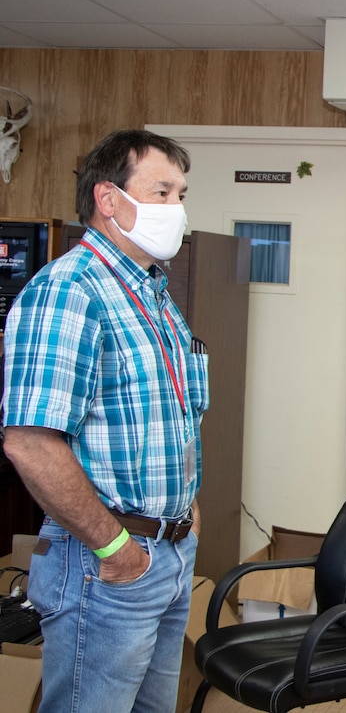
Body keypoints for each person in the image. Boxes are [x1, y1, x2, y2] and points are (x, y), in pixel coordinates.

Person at [2, 129, 208, 712]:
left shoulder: (153, 295)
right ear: (108, 198)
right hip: (107, 564)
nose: (177, 209)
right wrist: (115, 547)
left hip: (166, 553)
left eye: (181, 193)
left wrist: (186, 513)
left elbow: (178, 415)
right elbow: (30, 442)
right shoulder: (70, 290)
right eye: (162, 192)